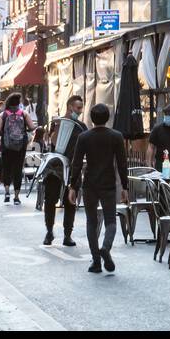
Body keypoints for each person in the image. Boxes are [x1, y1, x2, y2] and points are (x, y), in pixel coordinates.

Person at [67, 103, 129, 274]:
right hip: (108, 184)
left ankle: (96, 261)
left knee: (91, 221)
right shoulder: (116, 136)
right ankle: (106, 247)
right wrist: (125, 186)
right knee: (111, 221)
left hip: (89, 184)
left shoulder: (84, 137)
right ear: (108, 117)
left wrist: (73, 186)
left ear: (92, 118)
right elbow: (122, 164)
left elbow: (77, 163)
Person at [42, 94, 87, 247]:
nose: (80, 111)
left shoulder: (82, 127)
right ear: (70, 107)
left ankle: (68, 234)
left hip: (74, 168)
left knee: (70, 202)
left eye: (81, 108)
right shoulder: (57, 123)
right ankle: (49, 231)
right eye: (78, 108)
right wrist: (58, 126)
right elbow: (51, 143)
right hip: (55, 167)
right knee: (50, 200)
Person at [0, 93, 36, 205]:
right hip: (20, 146)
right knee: (18, 170)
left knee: (7, 168)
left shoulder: (3, 114)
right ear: (19, 103)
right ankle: (16, 197)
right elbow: (32, 127)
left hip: (6, 146)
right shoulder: (24, 114)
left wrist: (6, 133)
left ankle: (7, 192)